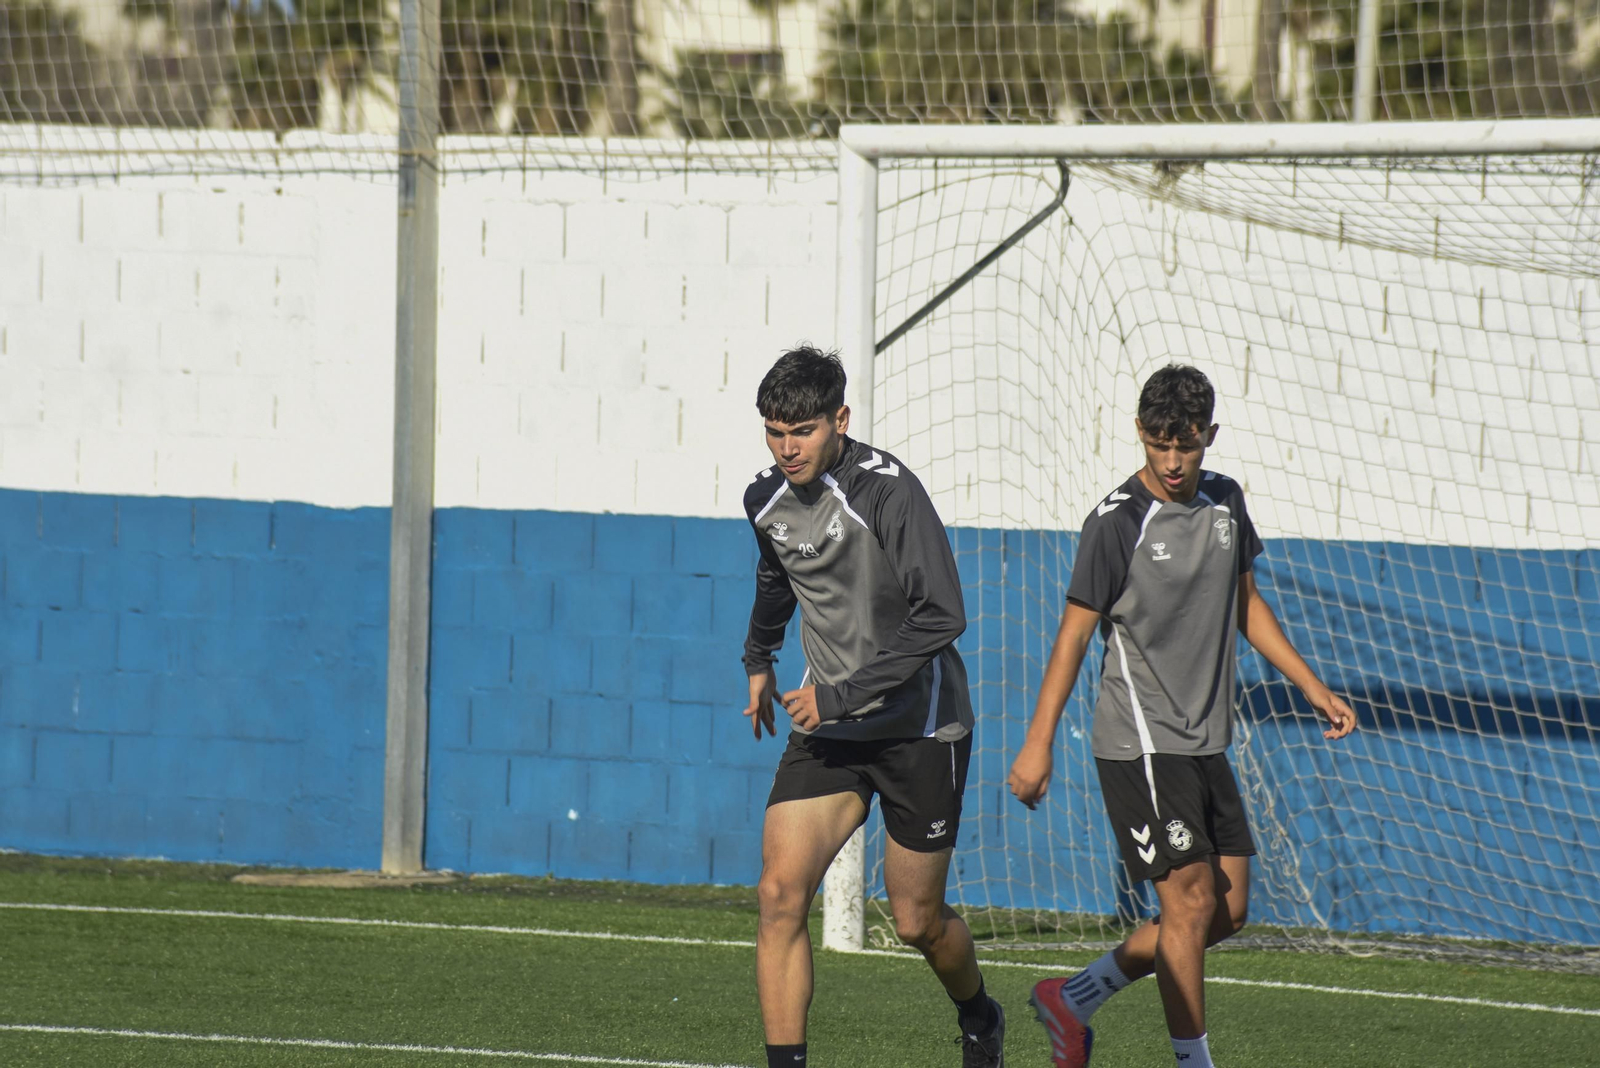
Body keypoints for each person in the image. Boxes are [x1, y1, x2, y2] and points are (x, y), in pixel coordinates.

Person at [1007, 364, 1356, 1068]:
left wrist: (1312, 685)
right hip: (1139, 740)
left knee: (1223, 913)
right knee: (1190, 904)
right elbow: (1074, 635)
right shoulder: (1116, 523)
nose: (1171, 462)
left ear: (1210, 437)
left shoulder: (1226, 501)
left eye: (1187, 446)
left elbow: (1245, 603)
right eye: (1159, 445)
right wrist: (1037, 743)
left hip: (1204, 738)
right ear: (1140, 434)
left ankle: (1073, 998)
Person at [741, 345, 1005, 1068]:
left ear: (840, 420)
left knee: (917, 918)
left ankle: (980, 1015)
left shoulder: (889, 492)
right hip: (831, 732)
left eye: (803, 431)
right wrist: (758, 660)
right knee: (778, 894)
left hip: (920, 726)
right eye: (774, 431)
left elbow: (942, 614)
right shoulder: (763, 499)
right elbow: (776, 576)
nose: (787, 448)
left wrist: (843, 695)